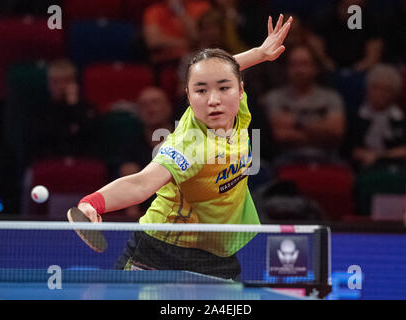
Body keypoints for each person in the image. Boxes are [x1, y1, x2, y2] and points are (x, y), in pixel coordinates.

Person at [76, 14, 293, 280]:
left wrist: (260, 53)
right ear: (188, 96)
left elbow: (220, 70)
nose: (213, 100)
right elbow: (142, 184)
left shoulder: (241, 110)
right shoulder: (190, 144)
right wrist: (93, 203)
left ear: (240, 90)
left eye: (224, 88)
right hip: (162, 253)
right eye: (201, 91)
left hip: (219, 253)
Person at [260, 44, 346, 165]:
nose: (299, 70)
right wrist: (320, 131)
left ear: (315, 68)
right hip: (286, 159)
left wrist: (296, 123)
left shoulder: (331, 98)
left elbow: (336, 132)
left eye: (304, 64)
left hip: (327, 159)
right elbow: (279, 135)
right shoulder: (274, 98)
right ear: (287, 69)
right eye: (294, 64)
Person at [118, 87, 176, 220]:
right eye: (144, 105)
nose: (150, 109)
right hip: (148, 217)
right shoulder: (133, 144)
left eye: (155, 102)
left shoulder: (186, 140)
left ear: (168, 107)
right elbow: (131, 189)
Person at [29, 59, 98, 161]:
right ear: (48, 84)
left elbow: (92, 136)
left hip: (82, 161)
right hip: (50, 162)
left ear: (75, 83)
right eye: (55, 82)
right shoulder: (39, 110)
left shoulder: (87, 108)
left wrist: (73, 106)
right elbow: (44, 140)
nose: (61, 86)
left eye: (66, 81)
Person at [351, 64, 406, 168]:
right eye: (375, 88)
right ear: (367, 88)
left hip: (393, 168)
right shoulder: (355, 116)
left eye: (386, 90)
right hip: (360, 169)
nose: (379, 94)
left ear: (394, 93)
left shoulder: (400, 118)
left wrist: (378, 156)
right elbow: (350, 149)